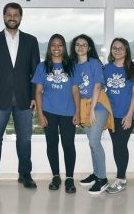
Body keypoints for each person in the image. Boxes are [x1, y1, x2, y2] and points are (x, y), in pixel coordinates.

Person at [0, 2, 40, 192]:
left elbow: (36, 72)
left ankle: (25, 174)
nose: (12, 17)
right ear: (4, 16)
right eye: (9, 14)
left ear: (21, 17)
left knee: (24, 139)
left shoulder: (31, 41)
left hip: (25, 98)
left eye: (16, 14)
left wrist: (34, 96)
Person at [32, 34, 80, 193]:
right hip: (48, 111)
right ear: (49, 47)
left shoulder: (72, 66)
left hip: (68, 112)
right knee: (52, 144)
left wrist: (78, 112)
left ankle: (70, 178)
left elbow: (75, 91)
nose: (56, 48)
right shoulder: (42, 67)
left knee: (68, 144)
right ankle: (55, 176)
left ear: (64, 48)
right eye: (53, 45)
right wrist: (40, 114)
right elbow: (38, 92)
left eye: (60, 45)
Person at [70, 34, 114, 195]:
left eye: (84, 45)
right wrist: (79, 110)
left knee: (95, 142)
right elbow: (75, 88)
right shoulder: (74, 65)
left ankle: (102, 179)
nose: (80, 47)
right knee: (91, 142)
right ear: (74, 47)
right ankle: (96, 174)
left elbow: (97, 86)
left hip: (98, 104)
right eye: (78, 44)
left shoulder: (94, 63)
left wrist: (93, 110)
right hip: (83, 105)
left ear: (89, 48)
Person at [103, 38, 134, 194]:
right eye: (114, 48)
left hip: (128, 114)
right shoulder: (105, 69)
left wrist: (129, 115)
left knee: (120, 144)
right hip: (112, 114)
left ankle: (121, 179)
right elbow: (100, 89)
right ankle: (121, 178)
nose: (117, 51)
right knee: (117, 145)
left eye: (120, 48)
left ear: (126, 51)